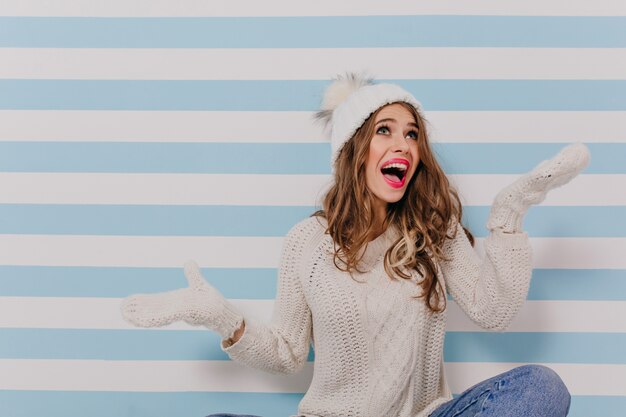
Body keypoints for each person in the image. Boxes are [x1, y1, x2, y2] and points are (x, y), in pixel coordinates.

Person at [121, 74, 590, 417]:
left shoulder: (433, 231)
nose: (403, 145)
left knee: (541, 389)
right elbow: (286, 353)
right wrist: (218, 315)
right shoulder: (307, 242)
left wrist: (511, 214)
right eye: (384, 130)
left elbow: (496, 309)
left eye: (412, 134)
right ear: (354, 148)